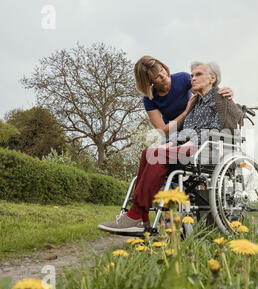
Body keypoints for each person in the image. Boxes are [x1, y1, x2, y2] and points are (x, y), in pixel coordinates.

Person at [97, 61, 243, 234]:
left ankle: (135, 215)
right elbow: (183, 127)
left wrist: (193, 141)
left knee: (158, 155)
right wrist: (171, 142)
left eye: (198, 75)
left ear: (212, 78)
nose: (192, 79)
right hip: (188, 148)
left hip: (205, 150)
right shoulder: (195, 103)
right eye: (192, 75)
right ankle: (140, 218)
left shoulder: (220, 100)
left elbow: (222, 127)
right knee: (148, 153)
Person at [132, 55, 234, 139]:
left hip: (193, 127)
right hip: (172, 134)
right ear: (149, 82)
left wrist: (224, 93)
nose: (163, 75)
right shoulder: (149, 99)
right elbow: (163, 131)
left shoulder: (182, 79)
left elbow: (206, 90)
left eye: (161, 70)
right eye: (156, 76)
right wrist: (186, 112)